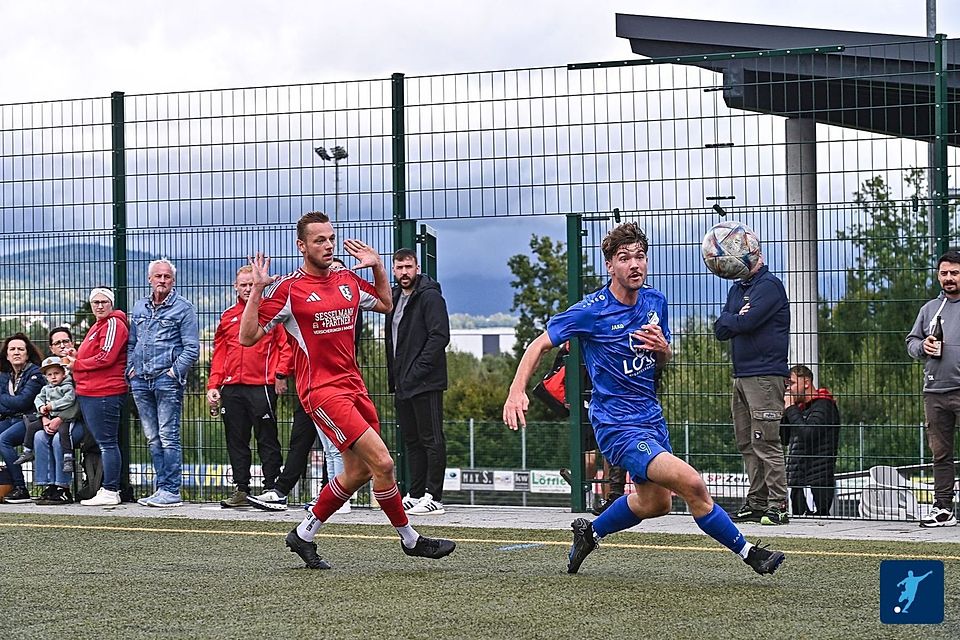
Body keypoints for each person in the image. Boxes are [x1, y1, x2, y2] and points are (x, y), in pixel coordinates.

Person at [503, 222, 785, 576]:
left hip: (650, 416)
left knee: (656, 503)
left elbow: (661, 358)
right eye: (624, 258)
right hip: (616, 424)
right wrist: (516, 391)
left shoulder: (656, 301)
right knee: (694, 484)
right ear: (610, 266)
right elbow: (538, 344)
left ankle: (589, 533)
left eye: (640, 256)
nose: (634, 264)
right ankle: (750, 554)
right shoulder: (592, 310)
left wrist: (664, 349)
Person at [239, 210, 455, 569]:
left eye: (330, 238)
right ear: (301, 246)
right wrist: (258, 291)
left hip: (353, 385)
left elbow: (386, 304)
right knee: (383, 461)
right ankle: (410, 539)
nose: (328, 245)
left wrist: (377, 267)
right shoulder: (289, 290)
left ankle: (304, 534)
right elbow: (248, 337)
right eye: (319, 240)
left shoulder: (346, 281)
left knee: (359, 472)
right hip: (321, 391)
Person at [713, 243, 791, 526]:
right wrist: (737, 317)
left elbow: (747, 323)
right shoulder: (737, 288)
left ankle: (778, 504)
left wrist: (736, 318)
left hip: (765, 376)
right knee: (747, 442)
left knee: (766, 440)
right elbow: (721, 328)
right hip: (742, 375)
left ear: (757, 256)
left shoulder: (769, 286)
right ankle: (756, 502)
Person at [208, 266, 290, 508]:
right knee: (236, 440)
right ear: (235, 286)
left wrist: (281, 374)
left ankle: (271, 488)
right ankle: (241, 489)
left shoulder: (271, 314)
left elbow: (285, 347)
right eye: (243, 284)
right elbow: (220, 353)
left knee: (267, 439)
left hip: (261, 387)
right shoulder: (227, 317)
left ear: (259, 286)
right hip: (232, 388)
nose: (247, 288)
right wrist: (214, 385)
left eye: (251, 284)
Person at [127, 258, 200, 508]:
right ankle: (160, 489)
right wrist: (131, 369)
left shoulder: (183, 309)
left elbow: (191, 348)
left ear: (173, 280)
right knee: (152, 437)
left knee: (169, 437)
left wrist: (173, 373)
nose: (162, 280)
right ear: (149, 279)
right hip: (140, 380)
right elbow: (132, 342)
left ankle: (171, 490)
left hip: (166, 381)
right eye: (158, 276)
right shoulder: (139, 307)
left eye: (167, 277)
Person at [384, 248, 450, 515]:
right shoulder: (395, 297)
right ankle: (415, 492)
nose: (404, 273)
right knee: (412, 440)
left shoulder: (430, 297)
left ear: (417, 268)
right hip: (403, 383)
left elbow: (439, 337)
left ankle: (434, 496)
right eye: (399, 268)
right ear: (393, 270)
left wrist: (417, 371)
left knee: (432, 439)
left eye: (408, 267)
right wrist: (400, 378)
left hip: (426, 382)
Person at [906, 248, 960, 528]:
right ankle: (943, 508)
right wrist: (922, 346)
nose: (949, 278)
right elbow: (911, 342)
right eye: (944, 273)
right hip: (935, 391)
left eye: (954, 272)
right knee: (940, 454)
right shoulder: (929, 309)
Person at [70, 287, 130, 507]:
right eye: (95, 302)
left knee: (107, 443)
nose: (99, 305)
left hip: (104, 391)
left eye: (104, 301)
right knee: (105, 442)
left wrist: (77, 364)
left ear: (111, 303)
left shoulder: (113, 323)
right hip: (90, 391)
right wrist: (77, 356)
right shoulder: (98, 326)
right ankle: (107, 488)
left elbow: (106, 357)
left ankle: (111, 489)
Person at [781, 364, 841, 516]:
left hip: (816, 481)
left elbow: (807, 434)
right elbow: (784, 438)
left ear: (806, 382)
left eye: (792, 383)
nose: (789, 389)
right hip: (797, 479)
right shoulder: (799, 408)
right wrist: (784, 414)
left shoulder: (824, 405)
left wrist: (791, 409)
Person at [0, 333, 47, 503]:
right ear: (7, 355)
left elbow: (22, 402)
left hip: (30, 420)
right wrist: (8, 402)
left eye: (21, 349)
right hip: (10, 418)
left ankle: (21, 488)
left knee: (3, 440)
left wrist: (4, 399)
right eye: (12, 349)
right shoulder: (6, 374)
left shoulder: (35, 373)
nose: (16, 352)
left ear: (27, 354)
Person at [15, 356, 80, 472]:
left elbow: (69, 399)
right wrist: (41, 407)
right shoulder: (46, 388)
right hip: (49, 416)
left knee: (64, 432)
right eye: (49, 375)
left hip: (64, 417)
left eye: (56, 373)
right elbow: (38, 398)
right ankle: (27, 451)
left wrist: (52, 406)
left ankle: (68, 457)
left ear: (64, 373)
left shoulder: (67, 386)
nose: (53, 377)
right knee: (32, 427)